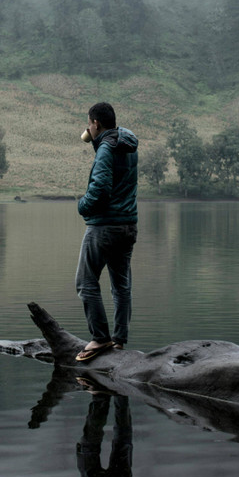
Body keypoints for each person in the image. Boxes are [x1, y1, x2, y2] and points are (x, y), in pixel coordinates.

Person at [75, 103, 138, 362]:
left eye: (89, 123)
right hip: (128, 225)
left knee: (86, 282)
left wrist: (82, 205)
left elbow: (100, 189)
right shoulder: (127, 144)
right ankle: (119, 340)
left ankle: (100, 339)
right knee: (121, 285)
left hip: (104, 227)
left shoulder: (105, 149)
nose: (87, 127)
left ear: (96, 124)